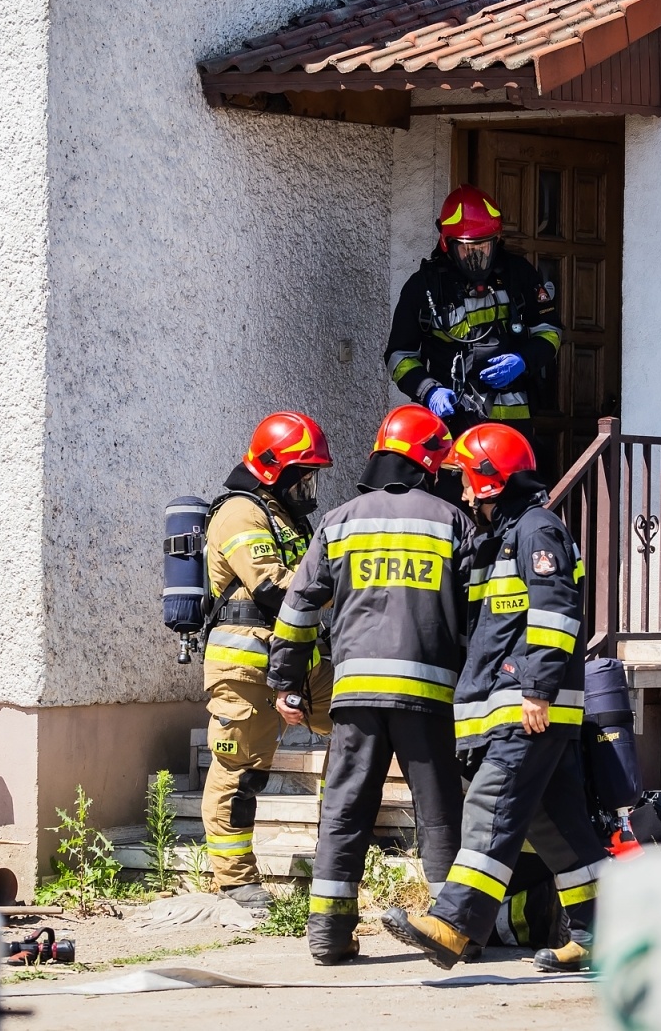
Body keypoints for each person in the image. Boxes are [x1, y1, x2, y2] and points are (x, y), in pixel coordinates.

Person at [383, 423, 606, 974]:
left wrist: (538, 689)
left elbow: (555, 613)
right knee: (559, 829)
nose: (461, 492)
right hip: (516, 705)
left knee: (491, 807)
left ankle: (455, 924)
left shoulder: (538, 530)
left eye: (465, 480)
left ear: (491, 480)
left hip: (528, 707)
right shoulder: (507, 536)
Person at [267, 405, 476, 965]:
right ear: (430, 460)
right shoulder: (452, 522)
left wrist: (287, 680)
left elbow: (298, 608)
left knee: (344, 811)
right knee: (438, 815)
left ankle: (329, 937)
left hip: (355, 697)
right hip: (427, 698)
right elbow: (478, 616)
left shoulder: (338, 521)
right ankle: (448, 933)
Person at [200, 411, 336, 908]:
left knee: (360, 731)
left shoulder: (283, 514)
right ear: (274, 469)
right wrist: (339, 587)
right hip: (246, 667)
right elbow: (275, 591)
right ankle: (236, 880)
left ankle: (338, 854)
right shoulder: (240, 513)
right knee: (241, 773)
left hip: (303, 656)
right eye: (303, 474)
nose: (309, 485)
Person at [384, 185, 563, 442]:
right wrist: (429, 391)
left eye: (484, 247)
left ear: (496, 240)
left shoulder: (519, 274)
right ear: (447, 243)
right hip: (451, 423)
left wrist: (523, 360)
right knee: (454, 483)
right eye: (467, 249)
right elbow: (399, 357)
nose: (476, 257)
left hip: (512, 425)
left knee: (519, 482)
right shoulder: (423, 287)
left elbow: (550, 331)